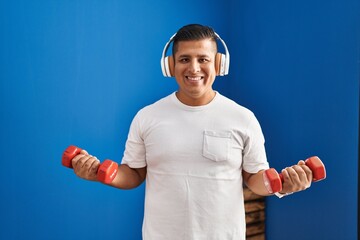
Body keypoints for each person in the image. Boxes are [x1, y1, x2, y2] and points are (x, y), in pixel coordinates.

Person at [71, 24, 313, 240]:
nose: (194, 68)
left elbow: (255, 179)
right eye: (184, 59)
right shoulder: (147, 117)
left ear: (219, 64)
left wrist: (282, 185)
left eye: (203, 59)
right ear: (170, 65)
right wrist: (99, 174)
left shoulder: (243, 118)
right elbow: (133, 174)